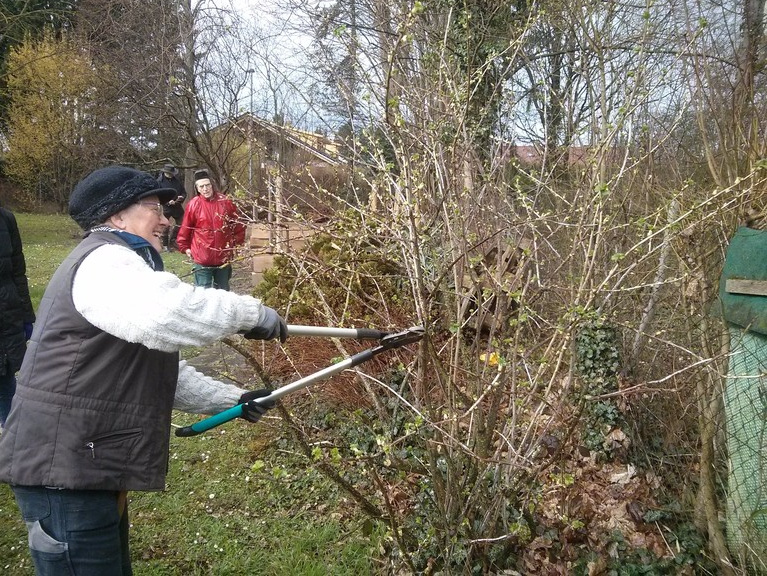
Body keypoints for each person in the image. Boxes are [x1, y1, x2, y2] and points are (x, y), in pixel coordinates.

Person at [0, 165, 288, 575]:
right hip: (61, 471)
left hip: (84, 465)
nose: (167, 220)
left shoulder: (118, 268)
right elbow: (169, 312)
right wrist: (251, 314)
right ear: (117, 215)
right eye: (155, 208)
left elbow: (156, 370)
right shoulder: (104, 262)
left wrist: (233, 400)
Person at [176, 169, 245, 290]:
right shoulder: (193, 205)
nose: (205, 189)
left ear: (212, 185)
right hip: (202, 257)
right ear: (197, 189)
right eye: (201, 186)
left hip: (223, 257)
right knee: (203, 292)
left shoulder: (225, 202)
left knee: (223, 292)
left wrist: (236, 244)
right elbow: (186, 228)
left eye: (207, 185)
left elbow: (238, 225)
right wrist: (185, 247)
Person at [0, 203, 35, 428]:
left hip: (6, 313)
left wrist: (26, 315)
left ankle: (12, 433)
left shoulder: (6, 219)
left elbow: (17, 271)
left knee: (5, 378)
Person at [156, 163, 187, 251]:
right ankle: (165, 245)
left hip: (177, 206)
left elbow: (184, 192)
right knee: (165, 225)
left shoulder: (177, 181)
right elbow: (157, 195)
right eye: (169, 173)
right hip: (165, 207)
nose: (171, 175)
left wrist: (181, 198)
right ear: (165, 172)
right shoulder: (159, 182)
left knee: (182, 223)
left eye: (172, 173)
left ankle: (173, 240)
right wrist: (167, 202)